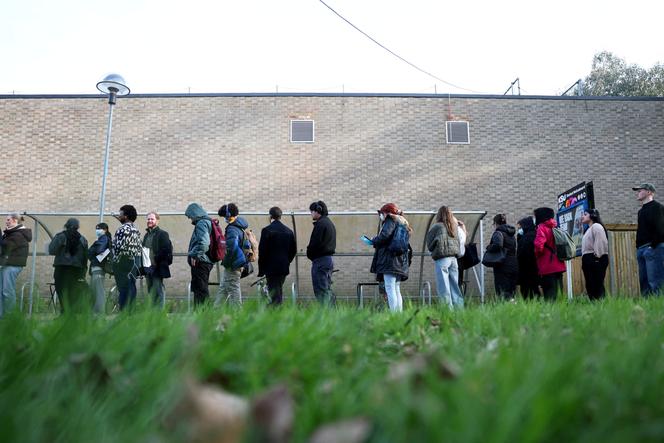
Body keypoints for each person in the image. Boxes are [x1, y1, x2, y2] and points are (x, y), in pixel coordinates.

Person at [367, 203, 412, 312]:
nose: (380, 215)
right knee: (396, 288)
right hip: (399, 260)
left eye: (381, 213)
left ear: (386, 213)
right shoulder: (403, 222)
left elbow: (384, 236)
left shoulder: (390, 221)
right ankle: (399, 314)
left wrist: (373, 240)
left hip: (389, 260)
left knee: (390, 288)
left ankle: (393, 314)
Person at [257, 207, 297, 306]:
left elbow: (262, 251)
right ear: (280, 216)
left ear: (270, 216)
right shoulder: (289, 231)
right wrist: (286, 261)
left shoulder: (267, 230)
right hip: (283, 267)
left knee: (274, 293)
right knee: (277, 289)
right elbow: (293, 250)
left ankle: (276, 311)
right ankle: (276, 309)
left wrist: (261, 270)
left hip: (271, 268)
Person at [425, 206, 463, 309]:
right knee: (455, 286)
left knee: (444, 287)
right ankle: (459, 310)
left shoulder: (436, 227)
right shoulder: (454, 227)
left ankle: (447, 310)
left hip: (442, 258)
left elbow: (429, 243)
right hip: (454, 259)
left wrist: (434, 247)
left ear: (439, 215)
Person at [49, 218, 89, 312]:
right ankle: (71, 313)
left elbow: (52, 250)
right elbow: (85, 257)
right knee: (73, 291)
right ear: (77, 227)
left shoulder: (60, 236)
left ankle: (65, 312)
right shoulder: (83, 239)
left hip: (62, 268)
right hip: (77, 270)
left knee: (61, 290)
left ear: (66, 225)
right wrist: (83, 271)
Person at [633, 183, 664, 296]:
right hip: (641, 249)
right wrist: (638, 247)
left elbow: (661, 229)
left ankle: (657, 304)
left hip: (654, 248)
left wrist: (652, 246)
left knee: (655, 282)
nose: (638, 193)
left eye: (640, 190)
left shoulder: (658, 207)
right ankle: (647, 305)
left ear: (649, 192)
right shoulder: (640, 211)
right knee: (644, 283)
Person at [217, 203, 251, 306]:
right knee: (223, 288)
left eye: (224, 216)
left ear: (228, 215)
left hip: (233, 265)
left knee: (233, 289)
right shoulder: (239, 227)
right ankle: (215, 310)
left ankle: (237, 313)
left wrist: (226, 262)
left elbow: (231, 248)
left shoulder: (232, 229)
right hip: (237, 263)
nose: (224, 219)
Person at [0, 213, 32, 316]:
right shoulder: (11, 233)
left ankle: (10, 316)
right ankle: (2, 315)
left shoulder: (18, 234)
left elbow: (7, 246)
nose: (6, 221)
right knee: (2, 291)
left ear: (15, 220)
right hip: (7, 265)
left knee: (7, 291)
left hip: (12, 265)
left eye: (8, 220)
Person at [306, 200, 336, 306]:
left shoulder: (320, 224)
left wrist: (309, 253)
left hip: (320, 261)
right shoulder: (328, 223)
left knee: (321, 291)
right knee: (326, 289)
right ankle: (332, 312)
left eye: (312, 211)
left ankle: (325, 313)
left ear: (317, 211)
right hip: (327, 260)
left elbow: (315, 243)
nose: (311, 214)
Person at [112, 205, 142, 310]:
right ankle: (131, 312)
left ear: (126, 216)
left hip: (122, 262)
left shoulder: (122, 230)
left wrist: (114, 263)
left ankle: (123, 312)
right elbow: (139, 247)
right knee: (131, 287)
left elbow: (117, 248)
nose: (119, 216)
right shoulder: (136, 230)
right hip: (133, 263)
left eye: (120, 214)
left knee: (123, 289)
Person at [533, 207, 566, 300]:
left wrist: (536, 255)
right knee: (558, 293)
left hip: (547, 265)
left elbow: (539, 246)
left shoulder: (542, 228)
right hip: (559, 264)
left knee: (549, 295)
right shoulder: (555, 226)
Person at [185, 203, 213, 306]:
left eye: (190, 216)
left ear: (195, 213)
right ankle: (201, 312)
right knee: (200, 289)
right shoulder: (207, 222)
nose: (190, 219)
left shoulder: (202, 223)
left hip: (201, 262)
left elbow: (204, 243)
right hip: (204, 261)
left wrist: (195, 255)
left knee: (201, 291)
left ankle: (203, 313)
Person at [142, 212, 173, 307]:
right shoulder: (146, 235)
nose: (150, 221)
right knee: (151, 292)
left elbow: (166, 250)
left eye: (152, 219)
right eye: (148, 219)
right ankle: (153, 313)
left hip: (157, 267)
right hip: (147, 268)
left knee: (158, 291)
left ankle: (159, 313)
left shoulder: (162, 234)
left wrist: (156, 260)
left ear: (157, 221)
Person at [487, 214, 518, 301]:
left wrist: (489, 247)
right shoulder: (511, 235)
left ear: (496, 223)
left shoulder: (498, 233)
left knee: (502, 291)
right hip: (513, 264)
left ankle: (504, 307)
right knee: (511, 291)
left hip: (502, 265)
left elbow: (497, 245)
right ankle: (513, 307)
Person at [580, 209, 609, 300]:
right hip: (588, 258)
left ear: (592, 215)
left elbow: (601, 242)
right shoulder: (588, 229)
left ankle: (600, 303)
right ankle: (594, 303)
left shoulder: (596, 226)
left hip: (595, 258)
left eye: (585, 214)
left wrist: (597, 257)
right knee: (590, 284)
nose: (582, 216)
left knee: (596, 283)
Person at [88, 222, 112, 314]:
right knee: (96, 290)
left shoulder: (104, 238)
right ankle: (96, 311)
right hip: (97, 267)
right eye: (96, 229)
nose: (97, 230)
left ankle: (99, 312)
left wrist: (93, 248)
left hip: (98, 267)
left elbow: (98, 250)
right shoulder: (102, 239)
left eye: (99, 228)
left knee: (99, 291)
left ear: (105, 230)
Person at [516, 216, 541, 299]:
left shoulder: (527, 238)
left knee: (527, 291)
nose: (519, 230)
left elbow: (522, 254)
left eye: (520, 227)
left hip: (527, 269)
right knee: (534, 289)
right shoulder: (534, 235)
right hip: (534, 269)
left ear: (525, 226)